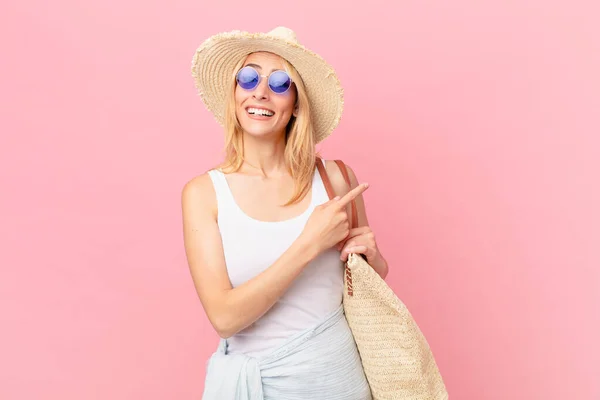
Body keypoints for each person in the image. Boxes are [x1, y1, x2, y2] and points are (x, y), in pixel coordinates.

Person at [182, 26, 389, 400]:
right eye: (248, 78)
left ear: (295, 105)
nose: (261, 91)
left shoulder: (336, 179)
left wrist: (374, 259)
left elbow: (368, 285)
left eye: (280, 83)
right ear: (234, 94)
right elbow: (225, 318)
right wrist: (309, 244)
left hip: (337, 383)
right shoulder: (204, 194)